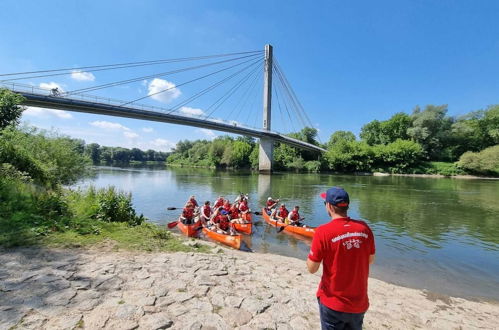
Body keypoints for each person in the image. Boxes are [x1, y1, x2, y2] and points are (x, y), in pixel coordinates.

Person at [306, 187, 375, 330]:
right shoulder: (364, 228)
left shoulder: (323, 232)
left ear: (329, 206)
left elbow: (312, 269)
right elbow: (370, 260)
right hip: (359, 303)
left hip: (333, 303)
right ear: (347, 205)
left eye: (325, 202)